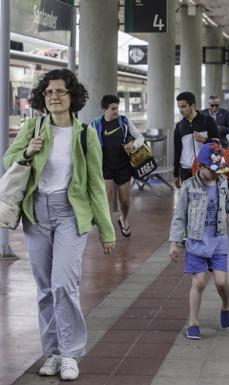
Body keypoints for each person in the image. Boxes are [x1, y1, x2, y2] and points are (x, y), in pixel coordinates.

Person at [3, 69, 115, 381]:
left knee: (64, 285)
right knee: (44, 290)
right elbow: (8, 160)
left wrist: (107, 231)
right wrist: (27, 150)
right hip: (36, 213)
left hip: (70, 214)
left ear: (72, 97)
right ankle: (51, 353)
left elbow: (95, 184)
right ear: (43, 97)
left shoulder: (85, 135)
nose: (54, 97)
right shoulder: (34, 127)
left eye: (60, 92)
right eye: (49, 92)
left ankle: (70, 354)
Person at [169, 143, 229, 339]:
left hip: (218, 240)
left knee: (221, 282)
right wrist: (175, 242)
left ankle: (226, 303)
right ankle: (194, 323)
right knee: (198, 283)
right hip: (197, 241)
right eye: (211, 170)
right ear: (200, 166)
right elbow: (179, 216)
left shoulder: (222, 182)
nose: (215, 174)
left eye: (218, 170)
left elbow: (228, 206)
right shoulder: (189, 186)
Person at [91, 94, 145, 237]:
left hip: (123, 166)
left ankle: (124, 219)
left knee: (125, 200)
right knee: (107, 198)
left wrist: (133, 146)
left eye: (117, 108)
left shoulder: (124, 121)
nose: (116, 111)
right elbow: (89, 145)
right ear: (104, 109)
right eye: (113, 109)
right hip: (105, 166)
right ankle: (108, 229)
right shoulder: (95, 125)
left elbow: (140, 137)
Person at [173, 91, 219, 188]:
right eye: (179, 107)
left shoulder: (207, 121)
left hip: (205, 170)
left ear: (193, 106)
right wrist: (176, 174)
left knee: (205, 201)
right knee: (190, 201)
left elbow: (218, 145)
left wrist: (205, 140)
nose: (180, 110)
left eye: (183, 106)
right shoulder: (179, 126)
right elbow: (177, 151)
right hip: (186, 170)